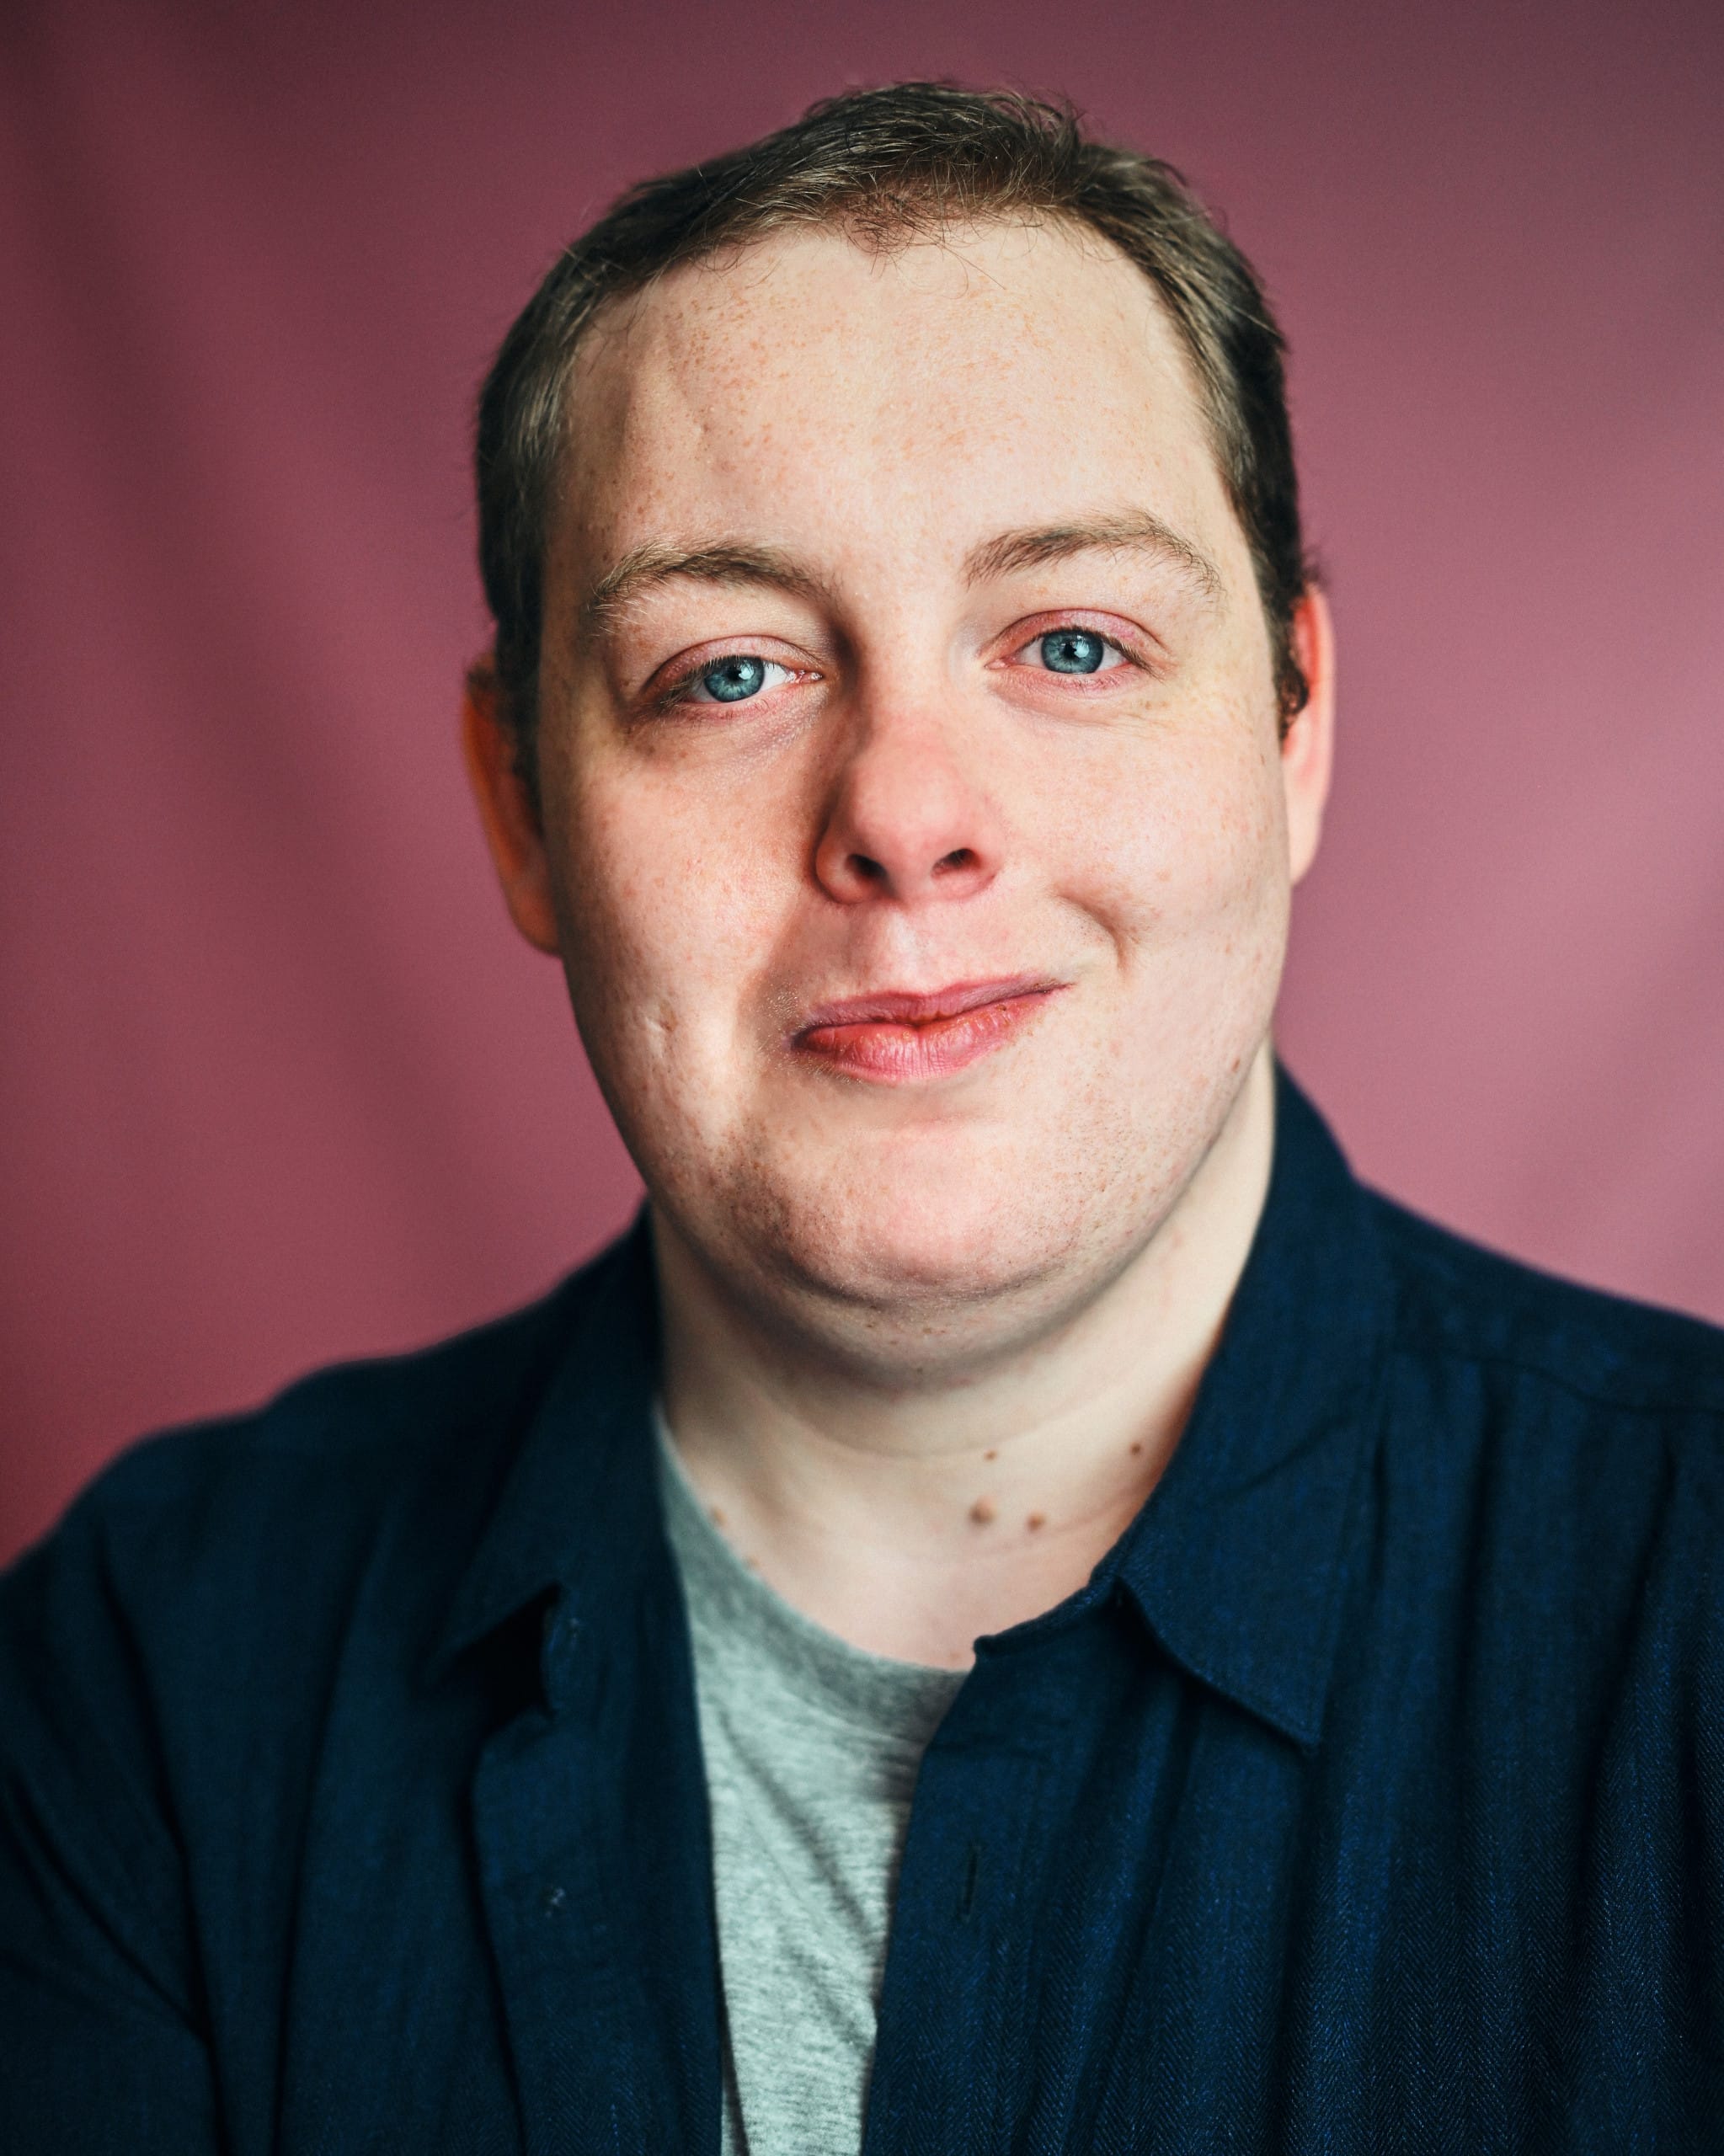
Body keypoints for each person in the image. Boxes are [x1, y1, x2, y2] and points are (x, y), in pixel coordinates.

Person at [2, 81, 1720, 2155]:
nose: (905, 811)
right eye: (726, 672)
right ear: (520, 804)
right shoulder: (145, 1681)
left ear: (1294, 727)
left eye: (1070, 639)